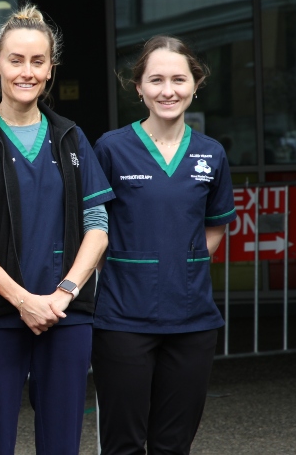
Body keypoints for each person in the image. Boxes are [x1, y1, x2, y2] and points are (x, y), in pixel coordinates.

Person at [0, 4, 114, 455]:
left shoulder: (71, 137)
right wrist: (22, 300)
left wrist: (64, 293)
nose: (26, 71)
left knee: (62, 442)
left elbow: (98, 226)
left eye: (38, 61)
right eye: (16, 60)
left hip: (65, 316)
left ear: (50, 69)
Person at [91, 35, 237, 455]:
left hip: (192, 322)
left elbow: (215, 226)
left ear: (196, 83)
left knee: (174, 444)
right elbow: (95, 226)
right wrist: (130, 268)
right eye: (155, 79)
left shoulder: (212, 154)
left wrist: (183, 265)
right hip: (123, 320)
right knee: (123, 444)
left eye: (178, 79)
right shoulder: (112, 149)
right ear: (138, 87)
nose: (167, 90)